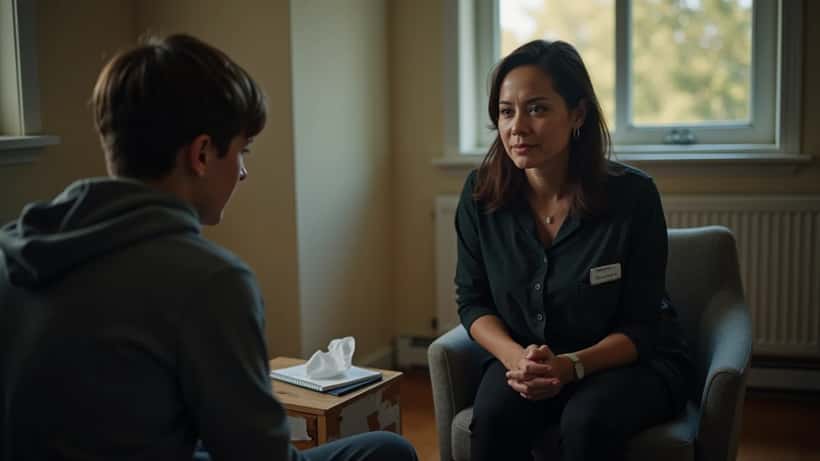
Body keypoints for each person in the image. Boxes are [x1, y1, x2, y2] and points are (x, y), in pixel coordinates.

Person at [0, 34, 416, 461]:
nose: (243, 172)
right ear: (201, 154)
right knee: (387, 450)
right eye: (242, 151)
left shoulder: (13, 251)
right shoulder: (210, 281)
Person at [454, 39, 694, 461]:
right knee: (492, 419)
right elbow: (473, 301)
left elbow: (643, 325)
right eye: (507, 111)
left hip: (624, 363)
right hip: (526, 358)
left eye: (538, 109)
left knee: (586, 423)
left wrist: (571, 366)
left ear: (578, 114)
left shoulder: (634, 196)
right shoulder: (479, 195)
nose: (518, 127)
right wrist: (518, 359)